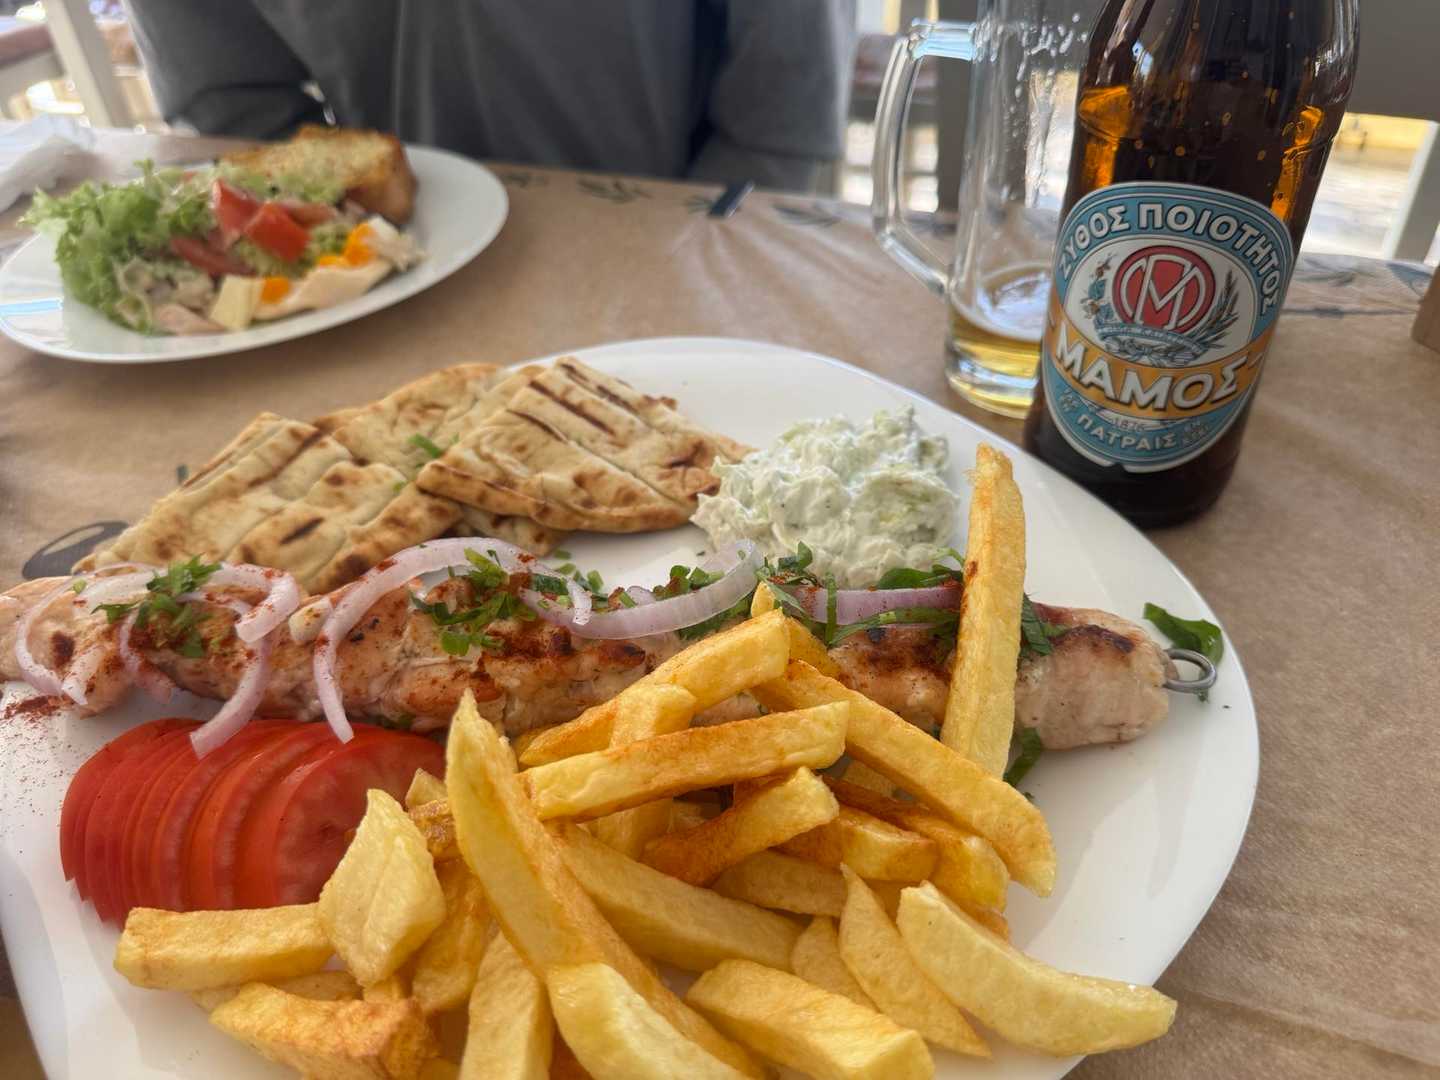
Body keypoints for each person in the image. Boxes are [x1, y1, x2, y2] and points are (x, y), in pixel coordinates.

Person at [124, 0, 856, 193]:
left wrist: (711, 227)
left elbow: (782, 106)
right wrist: (346, 234)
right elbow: (230, 106)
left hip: (677, 222)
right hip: (383, 243)